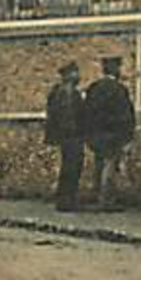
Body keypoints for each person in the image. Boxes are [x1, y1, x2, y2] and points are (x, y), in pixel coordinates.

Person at [82, 55, 137, 210]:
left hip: (95, 134)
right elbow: (125, 115)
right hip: (112, 135)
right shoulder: (118, 90)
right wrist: (127, 135)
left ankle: (96, 195)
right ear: (115, 70)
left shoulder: (94, 88)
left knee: (99, 164)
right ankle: (106, 200)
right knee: (109, 166)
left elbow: (86, 111)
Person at [45, 60, 85, 211]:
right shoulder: (67, 93)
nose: (78, 76)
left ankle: (65, 199)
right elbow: (70, 117)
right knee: (72, 168)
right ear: (68, 75)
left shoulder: (60, 91)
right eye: (75, 73)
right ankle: (67, 201)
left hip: (66, 136)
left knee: (69, 167)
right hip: (71, 136)